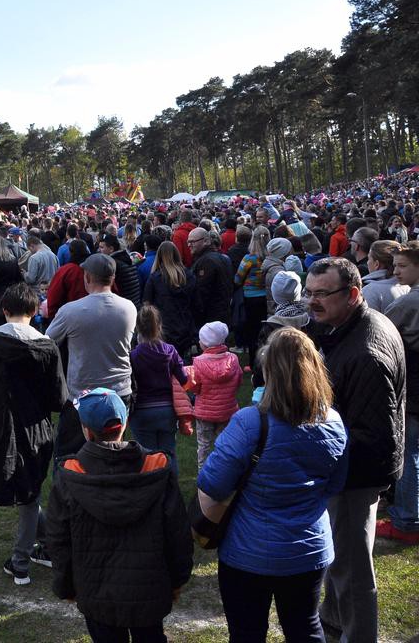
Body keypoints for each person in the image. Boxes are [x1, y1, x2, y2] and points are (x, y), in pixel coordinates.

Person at [198, 327, 348, 642]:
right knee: (305, 628)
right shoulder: (334, 421)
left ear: (268, 373)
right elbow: (335, 484)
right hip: (308, 549)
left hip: (248, 553)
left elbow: (212, 483)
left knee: (248, 633)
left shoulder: (249, 422)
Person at [304, 258, 405, 643]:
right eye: (309, 293)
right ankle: (333, 624)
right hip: (346, 472)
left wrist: (316, 442)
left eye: (322, 294)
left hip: (355, 476)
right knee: (340, 562)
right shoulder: (341, 328)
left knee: (352, 568)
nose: (313, 303)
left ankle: (358, 635)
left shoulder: (365, 352)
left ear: (353, 295)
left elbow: (372, 435)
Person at [45, 388, 193, 643]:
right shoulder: (155, 468)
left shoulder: (70, 476)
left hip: (97, 593)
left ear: (86, 430)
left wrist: (65, 585)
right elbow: (178, 533)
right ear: (124, 424)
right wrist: (178, 579)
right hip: (148, 590)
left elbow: (58, 540)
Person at [0, 284, 67, 586]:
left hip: (1, 423)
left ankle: (21, 560)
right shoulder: (46, 346)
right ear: (34, 312)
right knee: (29, 490)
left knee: (28, 493)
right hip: (34, 426)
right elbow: (59, 397)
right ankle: (45, 544)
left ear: (5, 310)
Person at [46, 254, 137, 456]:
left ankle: (69, 486)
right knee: (113, 450)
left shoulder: (71, 311)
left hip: (82, 393)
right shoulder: (129, 308)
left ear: (87, 277)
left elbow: (47, 342)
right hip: (119, 391)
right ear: (112, 279)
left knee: (68, 454)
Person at [378, 243, 419, 544]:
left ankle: (406, 521)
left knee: (409, 452)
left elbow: (381, 327)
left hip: (415, 386)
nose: (395, 271)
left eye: (402, 266)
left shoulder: (412, 301)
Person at [129, 305, 190, 473]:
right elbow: (184, 379)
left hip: (142, 412)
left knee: (147, 458)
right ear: (159, 326)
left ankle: (151, 493)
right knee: (168, 454)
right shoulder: (170, 351)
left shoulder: (133, 356)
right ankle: (171, 491)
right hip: (167, 411)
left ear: (138, 328)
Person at [188, 321, 242, 468]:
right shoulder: (233, 359)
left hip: (205, 412)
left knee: (204, 445)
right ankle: (226, 473)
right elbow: (238, 382)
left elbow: (195, 388)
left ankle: (203, 476)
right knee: (225, 444)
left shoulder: (198, 362)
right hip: (227, 410)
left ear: (205, 343)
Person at [142, 241, 197, 357]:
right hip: (185, 325)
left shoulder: (155, 278)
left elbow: (147, 303)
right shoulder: (188, 275)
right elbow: (196, 301)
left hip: (163, 327)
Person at [235, 226, 270, 366]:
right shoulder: (271, 257)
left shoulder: (249, 258)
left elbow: (238, 278)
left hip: (251, 298)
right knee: (265, 329)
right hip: (266, 297)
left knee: (252, 330)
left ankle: (253, 362)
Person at [189, 226, 234, 327]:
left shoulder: (207, 261)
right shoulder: (222, 258)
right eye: (188, 242)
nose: (189, 245)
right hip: (222, 314)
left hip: (211, 317)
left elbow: (202, 292)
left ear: (205, 241)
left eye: (192, 242)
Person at [45, 239, 91, 320]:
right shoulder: (96, 267)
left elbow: (54, 295)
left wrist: (53, 317)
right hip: (96, 314)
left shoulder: (66, 270)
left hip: (71, 317)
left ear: (71, 252)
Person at [360, 239, 407, 313]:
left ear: (376, 264)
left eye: (369, 258)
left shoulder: (369, 291)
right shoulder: (408, 286)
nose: (367, 262)